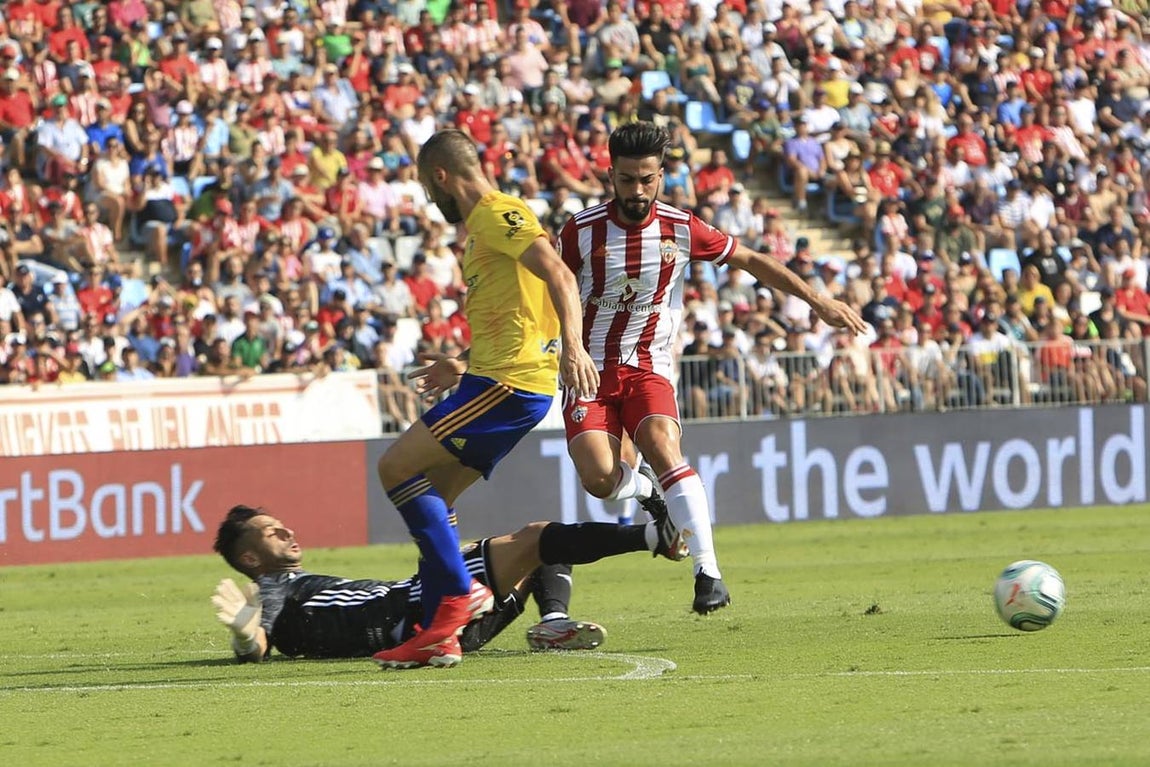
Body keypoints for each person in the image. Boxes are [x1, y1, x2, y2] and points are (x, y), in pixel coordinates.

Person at [557, 122, 867, 613]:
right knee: (600, 479)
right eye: (627, 180)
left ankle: (709, 573)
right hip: (589, 370)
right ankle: (650, 498)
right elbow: (550, 290)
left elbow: (750, 259)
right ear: (609, 174)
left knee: (662, 444)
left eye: (647, 180)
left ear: (661, 176)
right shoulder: (580, 230)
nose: (637, 191)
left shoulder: (681, 227)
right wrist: (568, 345)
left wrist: (816, 300)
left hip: (648, 366)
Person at [370, 129, 601, 669]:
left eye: (429, 187)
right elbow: (517, 312)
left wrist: (573, 347)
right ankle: (437, 637)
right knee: (435, 497)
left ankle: (458, 596)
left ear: (442, 177)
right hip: (496, 377)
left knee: (394, 468)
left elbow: (560, 274)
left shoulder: (500, 214)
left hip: (509, 383)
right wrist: (461, 364)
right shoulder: (481, 231)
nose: (431, 199)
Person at [210, 504, 686, 663]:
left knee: (531, 548)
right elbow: (258, 644)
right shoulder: (272, 588)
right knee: (538, 538)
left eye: (283, 525)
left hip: (436, 621)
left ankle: (554, 625)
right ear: (250, 557)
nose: (289, 532)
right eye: (273, 532)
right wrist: (242, 633)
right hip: (418, 611)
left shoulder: (290, 582)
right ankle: (650, 536)